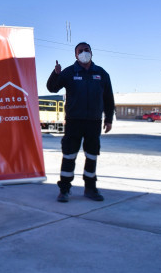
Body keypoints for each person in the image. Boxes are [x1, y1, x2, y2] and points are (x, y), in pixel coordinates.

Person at [47, 42, 115, 203]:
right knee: (69, 155)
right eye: (80, 51)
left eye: (87, 50)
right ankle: (64, 189)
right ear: (75, 55)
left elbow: (108, 98)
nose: (84, 53)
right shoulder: (69, 72)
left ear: (92, 52)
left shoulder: (102, 73)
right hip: (73, 122)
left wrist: (109, 119)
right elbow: (52, 88)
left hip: (94, 122)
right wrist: (55, 74)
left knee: (92, 155)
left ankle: (90, 188)